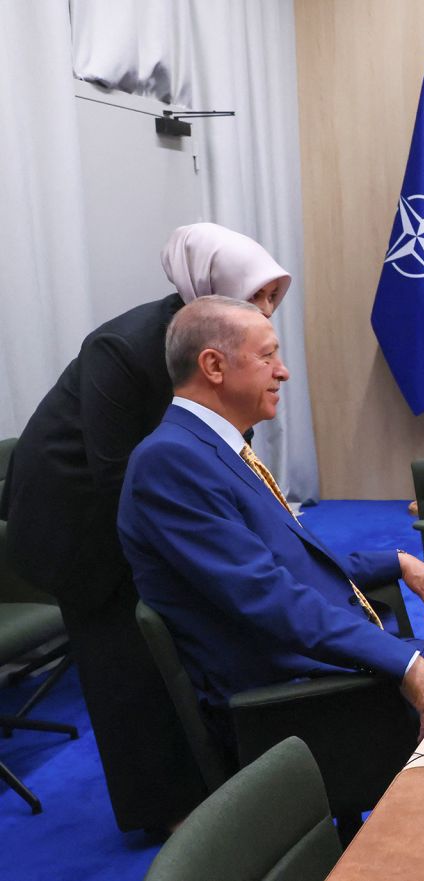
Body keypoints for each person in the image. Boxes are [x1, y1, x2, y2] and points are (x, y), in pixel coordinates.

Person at [0, 222, 291, 832]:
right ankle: (160, 816)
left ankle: (204, 787)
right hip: (77, 518)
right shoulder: (123, 345)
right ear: (212, 284)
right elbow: (113, 473)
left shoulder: (222, 345)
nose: (265, 310)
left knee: (174, 647)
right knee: (124, 660)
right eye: (256, 295)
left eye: (271, 297)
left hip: (146, 504)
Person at [117, 296, 424, 746]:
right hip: (294, 691)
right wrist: (404, 664)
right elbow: (266, 595)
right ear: (213, 365)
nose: (283, 371)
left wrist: (396, 561)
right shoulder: (172, 461)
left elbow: (289, 561)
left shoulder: (210, 448)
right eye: (268, 355)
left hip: (321, 660)